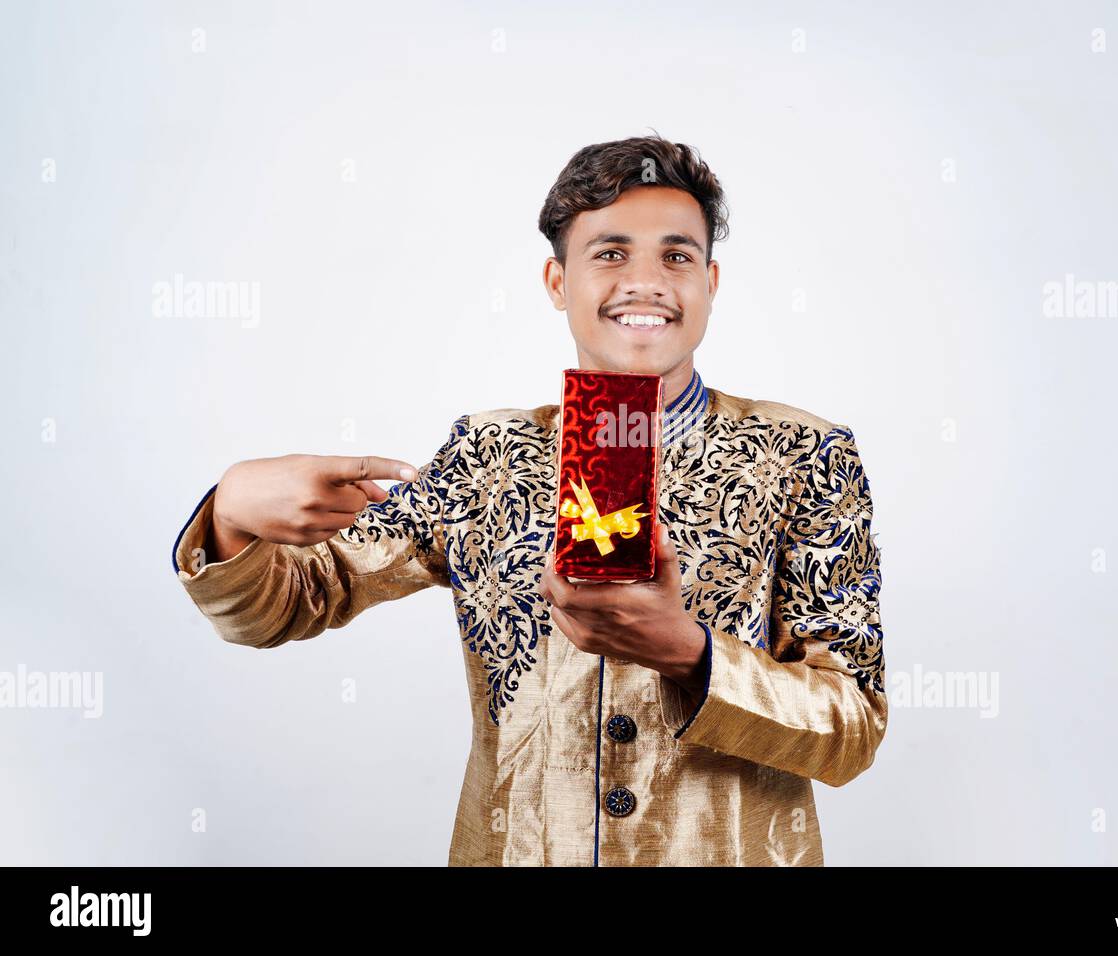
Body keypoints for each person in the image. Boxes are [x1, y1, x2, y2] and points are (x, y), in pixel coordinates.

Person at [172, 133, 888, 866]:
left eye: (675, 256)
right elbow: (290, 604)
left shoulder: (804, 454)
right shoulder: (487, 456)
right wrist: (230, 515)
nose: (645, 281)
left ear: (710, 282)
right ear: (557, 281)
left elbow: (852, 724)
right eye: (610, 253)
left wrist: (690, 655)